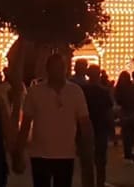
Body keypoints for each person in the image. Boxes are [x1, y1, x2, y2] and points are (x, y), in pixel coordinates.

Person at [15, 53, 93, 187]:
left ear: (66, 68)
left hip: (66, 154)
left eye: (61, 67)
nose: (58, 70)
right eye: (55, 67)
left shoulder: (75, 92)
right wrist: (19, 152)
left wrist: (87, 148)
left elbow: (85, 122)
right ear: (48, 69)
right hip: (40, 154)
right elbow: (26, 124)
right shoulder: (35, 92)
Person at [80, 65, 114, 187]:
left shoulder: (82, 90)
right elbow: (108, 111)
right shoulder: (103, 91)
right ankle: (100, 182)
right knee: (100, 159)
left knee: (87, 159)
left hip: (85, 128)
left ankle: (88, 183)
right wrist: (112, 129)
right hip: (100, 127)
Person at [114, 71, 134, 161]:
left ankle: (127, 152)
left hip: (124, 112)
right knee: (133, 132)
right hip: (133, 111)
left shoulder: (118, 89)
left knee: (126, 134)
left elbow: (117, 100)